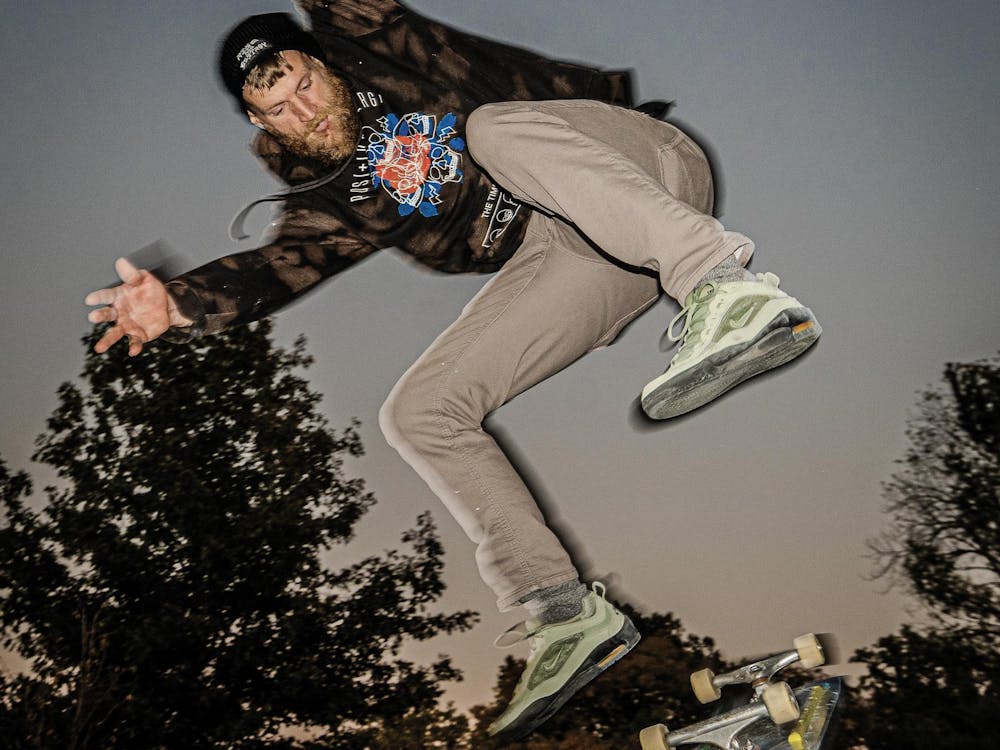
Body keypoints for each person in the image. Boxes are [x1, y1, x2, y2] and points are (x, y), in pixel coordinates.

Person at [84, 2, 821, 740]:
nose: (305, 112)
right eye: (279, 109)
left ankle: (725, 290)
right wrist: (179, 302)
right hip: (586, 257)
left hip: (634, 169)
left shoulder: (371, 41)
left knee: (489, 129)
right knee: (421, 410)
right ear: (260, 123)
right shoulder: (332, 201)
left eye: (304, 84)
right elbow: (280, 266)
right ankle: (564, 612)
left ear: (323, 61)